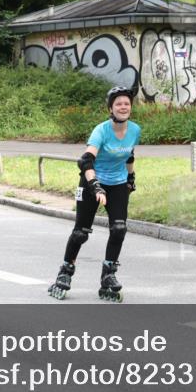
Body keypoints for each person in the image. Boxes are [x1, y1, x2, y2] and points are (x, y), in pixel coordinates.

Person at [48, 86, 141, 302]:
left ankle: (108, 275)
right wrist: (95, 185)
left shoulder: (135, 130)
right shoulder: (101, 130)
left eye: (127, 103)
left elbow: (129, 156)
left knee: (119, 228)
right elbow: (85, 160)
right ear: (110, 108)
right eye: (118, 103)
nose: (123, 107)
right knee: (81, 232)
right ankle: (65, 271)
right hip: (92, 182)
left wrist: (131, 178)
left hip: (118, 183)